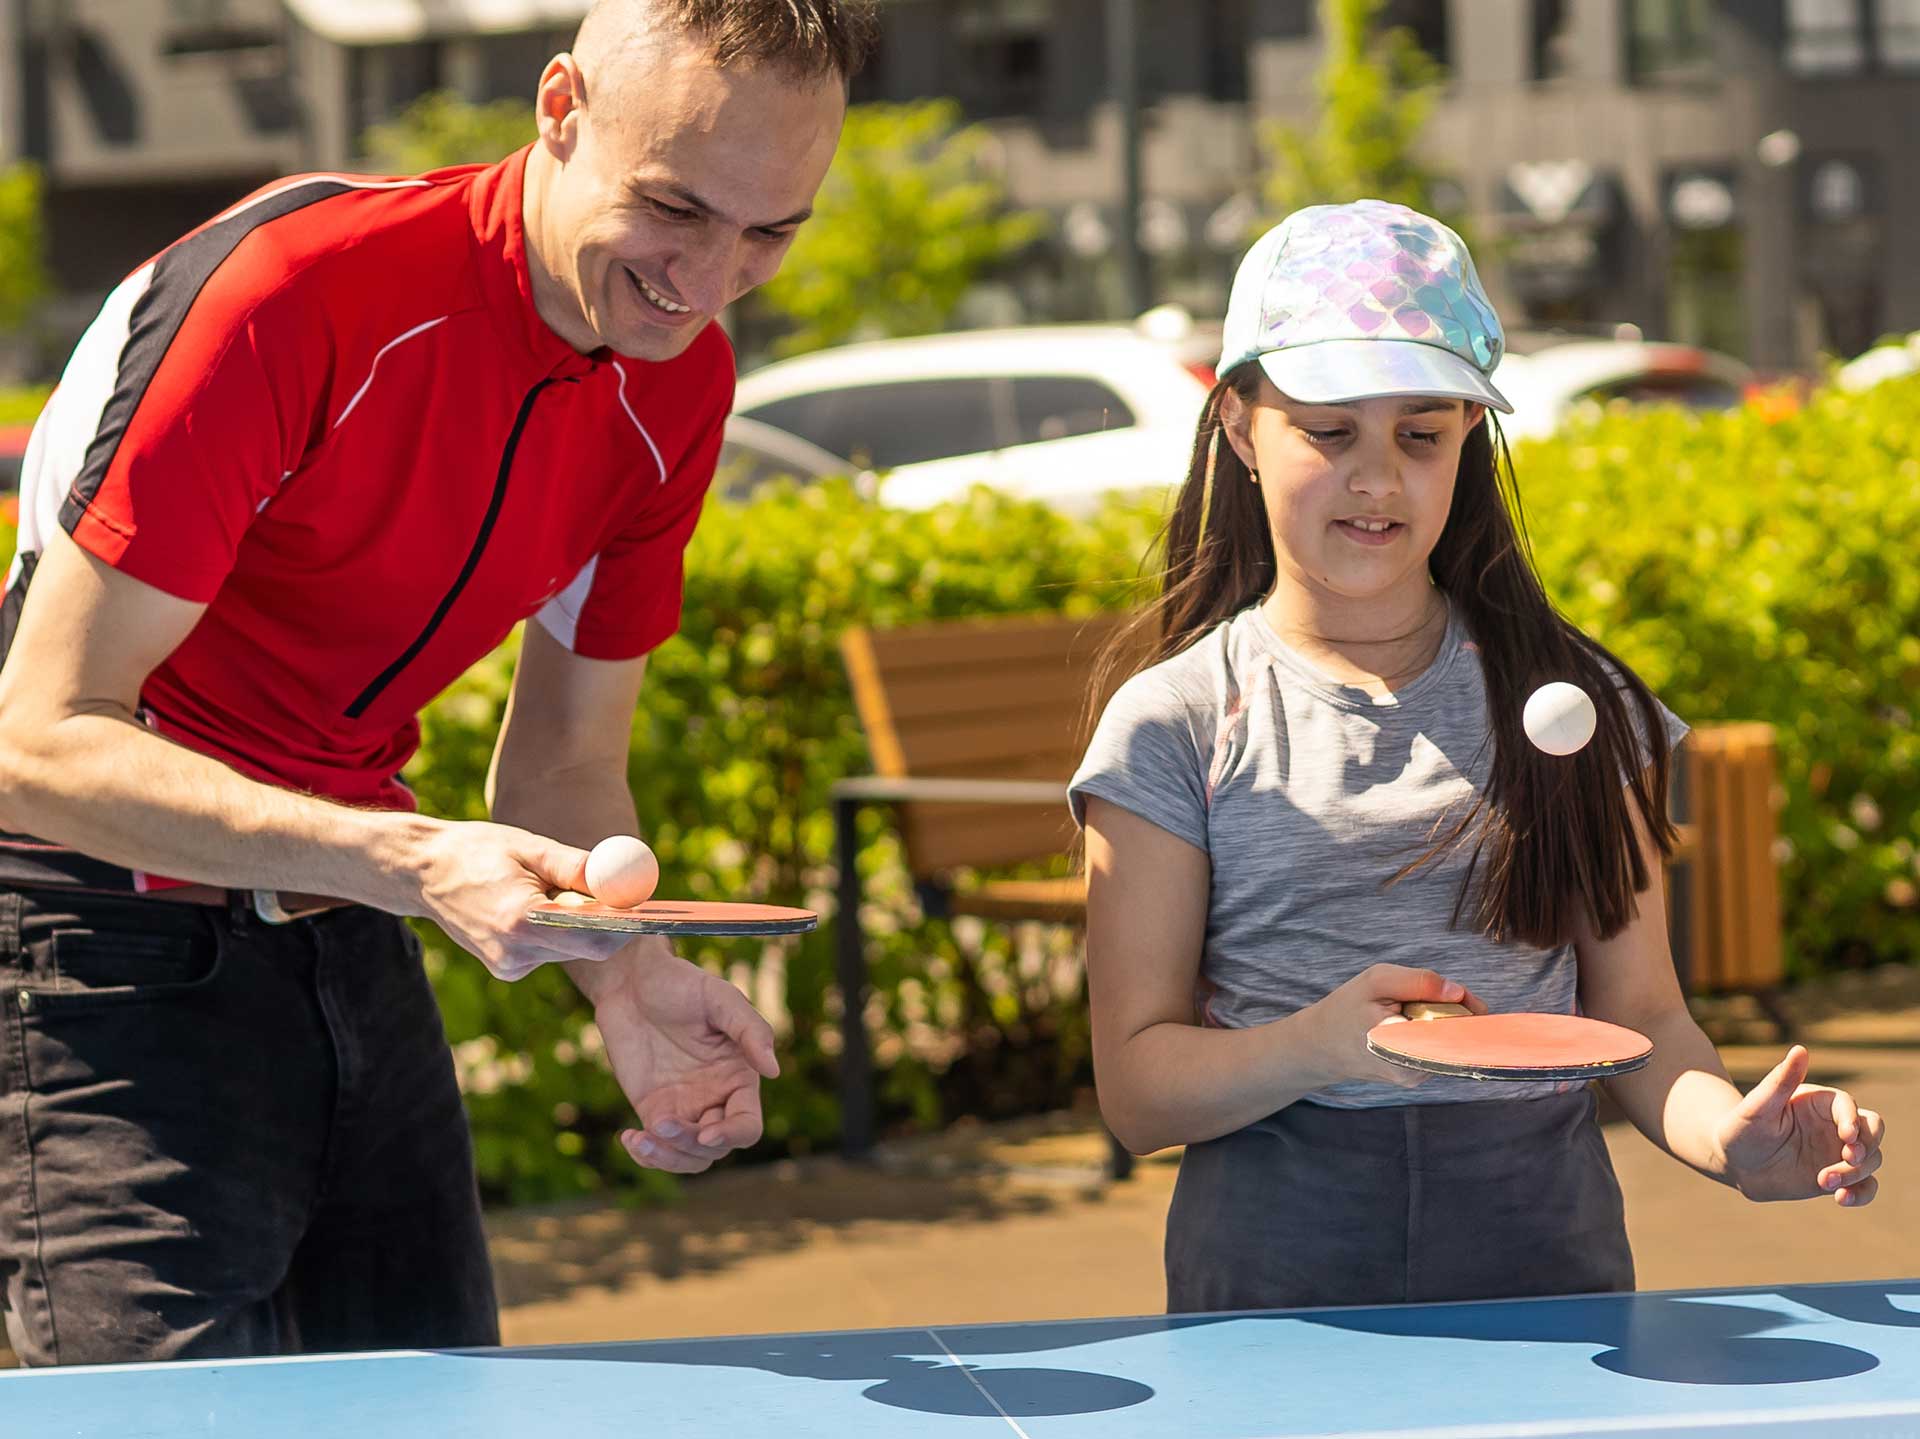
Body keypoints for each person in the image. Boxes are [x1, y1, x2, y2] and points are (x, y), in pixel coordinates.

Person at [0, 0, 874, 1365]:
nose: (708, 280)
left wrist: (627, 973)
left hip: (353, 921)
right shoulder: (294, 289)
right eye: (672, 208)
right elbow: (38, 743)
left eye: (770, 233)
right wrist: (407, 858)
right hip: (93, 932)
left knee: (437, 1406)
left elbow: (563, 769)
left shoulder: (682, 380)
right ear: (559, 109)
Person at [1069, 200, 1886, 1314]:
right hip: (1271, 1272)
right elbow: (1136, 1089)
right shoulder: (1173, 722)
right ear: (1238, 427)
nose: (1377, 478)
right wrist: (1321, 1047)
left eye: (1421, 434)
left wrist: (1730, 1139)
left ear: (1468, 438)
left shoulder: (1579, 704)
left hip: (1544, 1250)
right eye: (1328, 431)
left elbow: (1646, 1018)